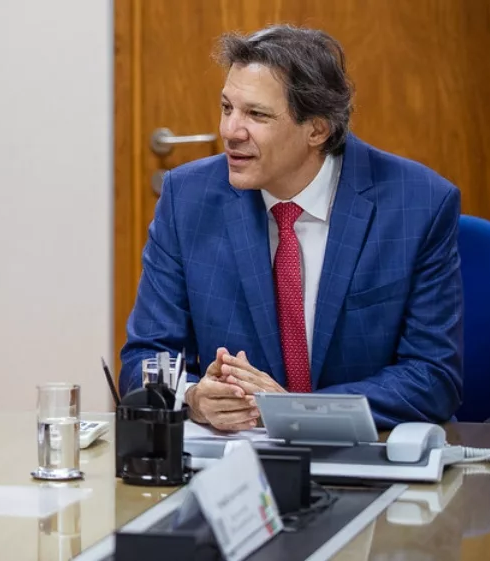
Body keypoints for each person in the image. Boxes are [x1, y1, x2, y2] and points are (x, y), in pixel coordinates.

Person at [119, 25, 462, 431]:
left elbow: (433, 378)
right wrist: (193, 397)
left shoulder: (418, 204)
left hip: (368, 455)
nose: (230, 131)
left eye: (257, 114)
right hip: (235, 470)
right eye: (227, 108)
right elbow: (143, 358)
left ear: (317, 129)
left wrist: (296, 410)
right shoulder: (187, 198)